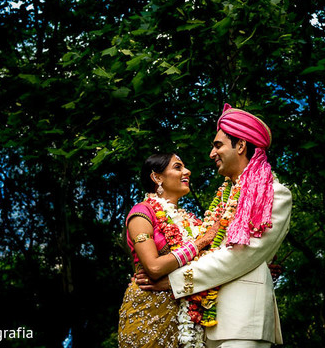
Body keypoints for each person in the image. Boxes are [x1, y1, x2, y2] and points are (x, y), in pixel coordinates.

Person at [138, 104, 293, 348]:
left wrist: (174, 282)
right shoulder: (225, 199)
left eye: (218, 145)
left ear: (241, 145)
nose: (212, 154)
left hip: (242, 324)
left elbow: (241, 256)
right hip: (207, 326)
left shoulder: (274, 194)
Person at [118, 153, 219, 348]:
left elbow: (213, 262)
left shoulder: (192, 223)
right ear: (157, 177)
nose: (187, 171)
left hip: (187, 315)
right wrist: (200, 243)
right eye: (178, 167)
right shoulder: (141, 213)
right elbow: (154, 267)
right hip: (147, 312)